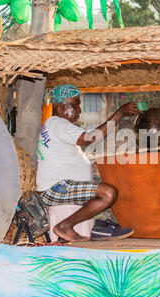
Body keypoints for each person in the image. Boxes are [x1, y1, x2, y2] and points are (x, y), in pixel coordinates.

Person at [36, 84, 141, 242]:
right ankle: (64, 226)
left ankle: (92, 227)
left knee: (106, 191)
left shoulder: (55, 126)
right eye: (75, 106)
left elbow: (68, 155)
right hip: (55, 189)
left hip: (58, 187)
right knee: (108, 193)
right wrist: (119, 114)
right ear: (59, 106)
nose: (79, 111)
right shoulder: (57, 123)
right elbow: (91, 138)